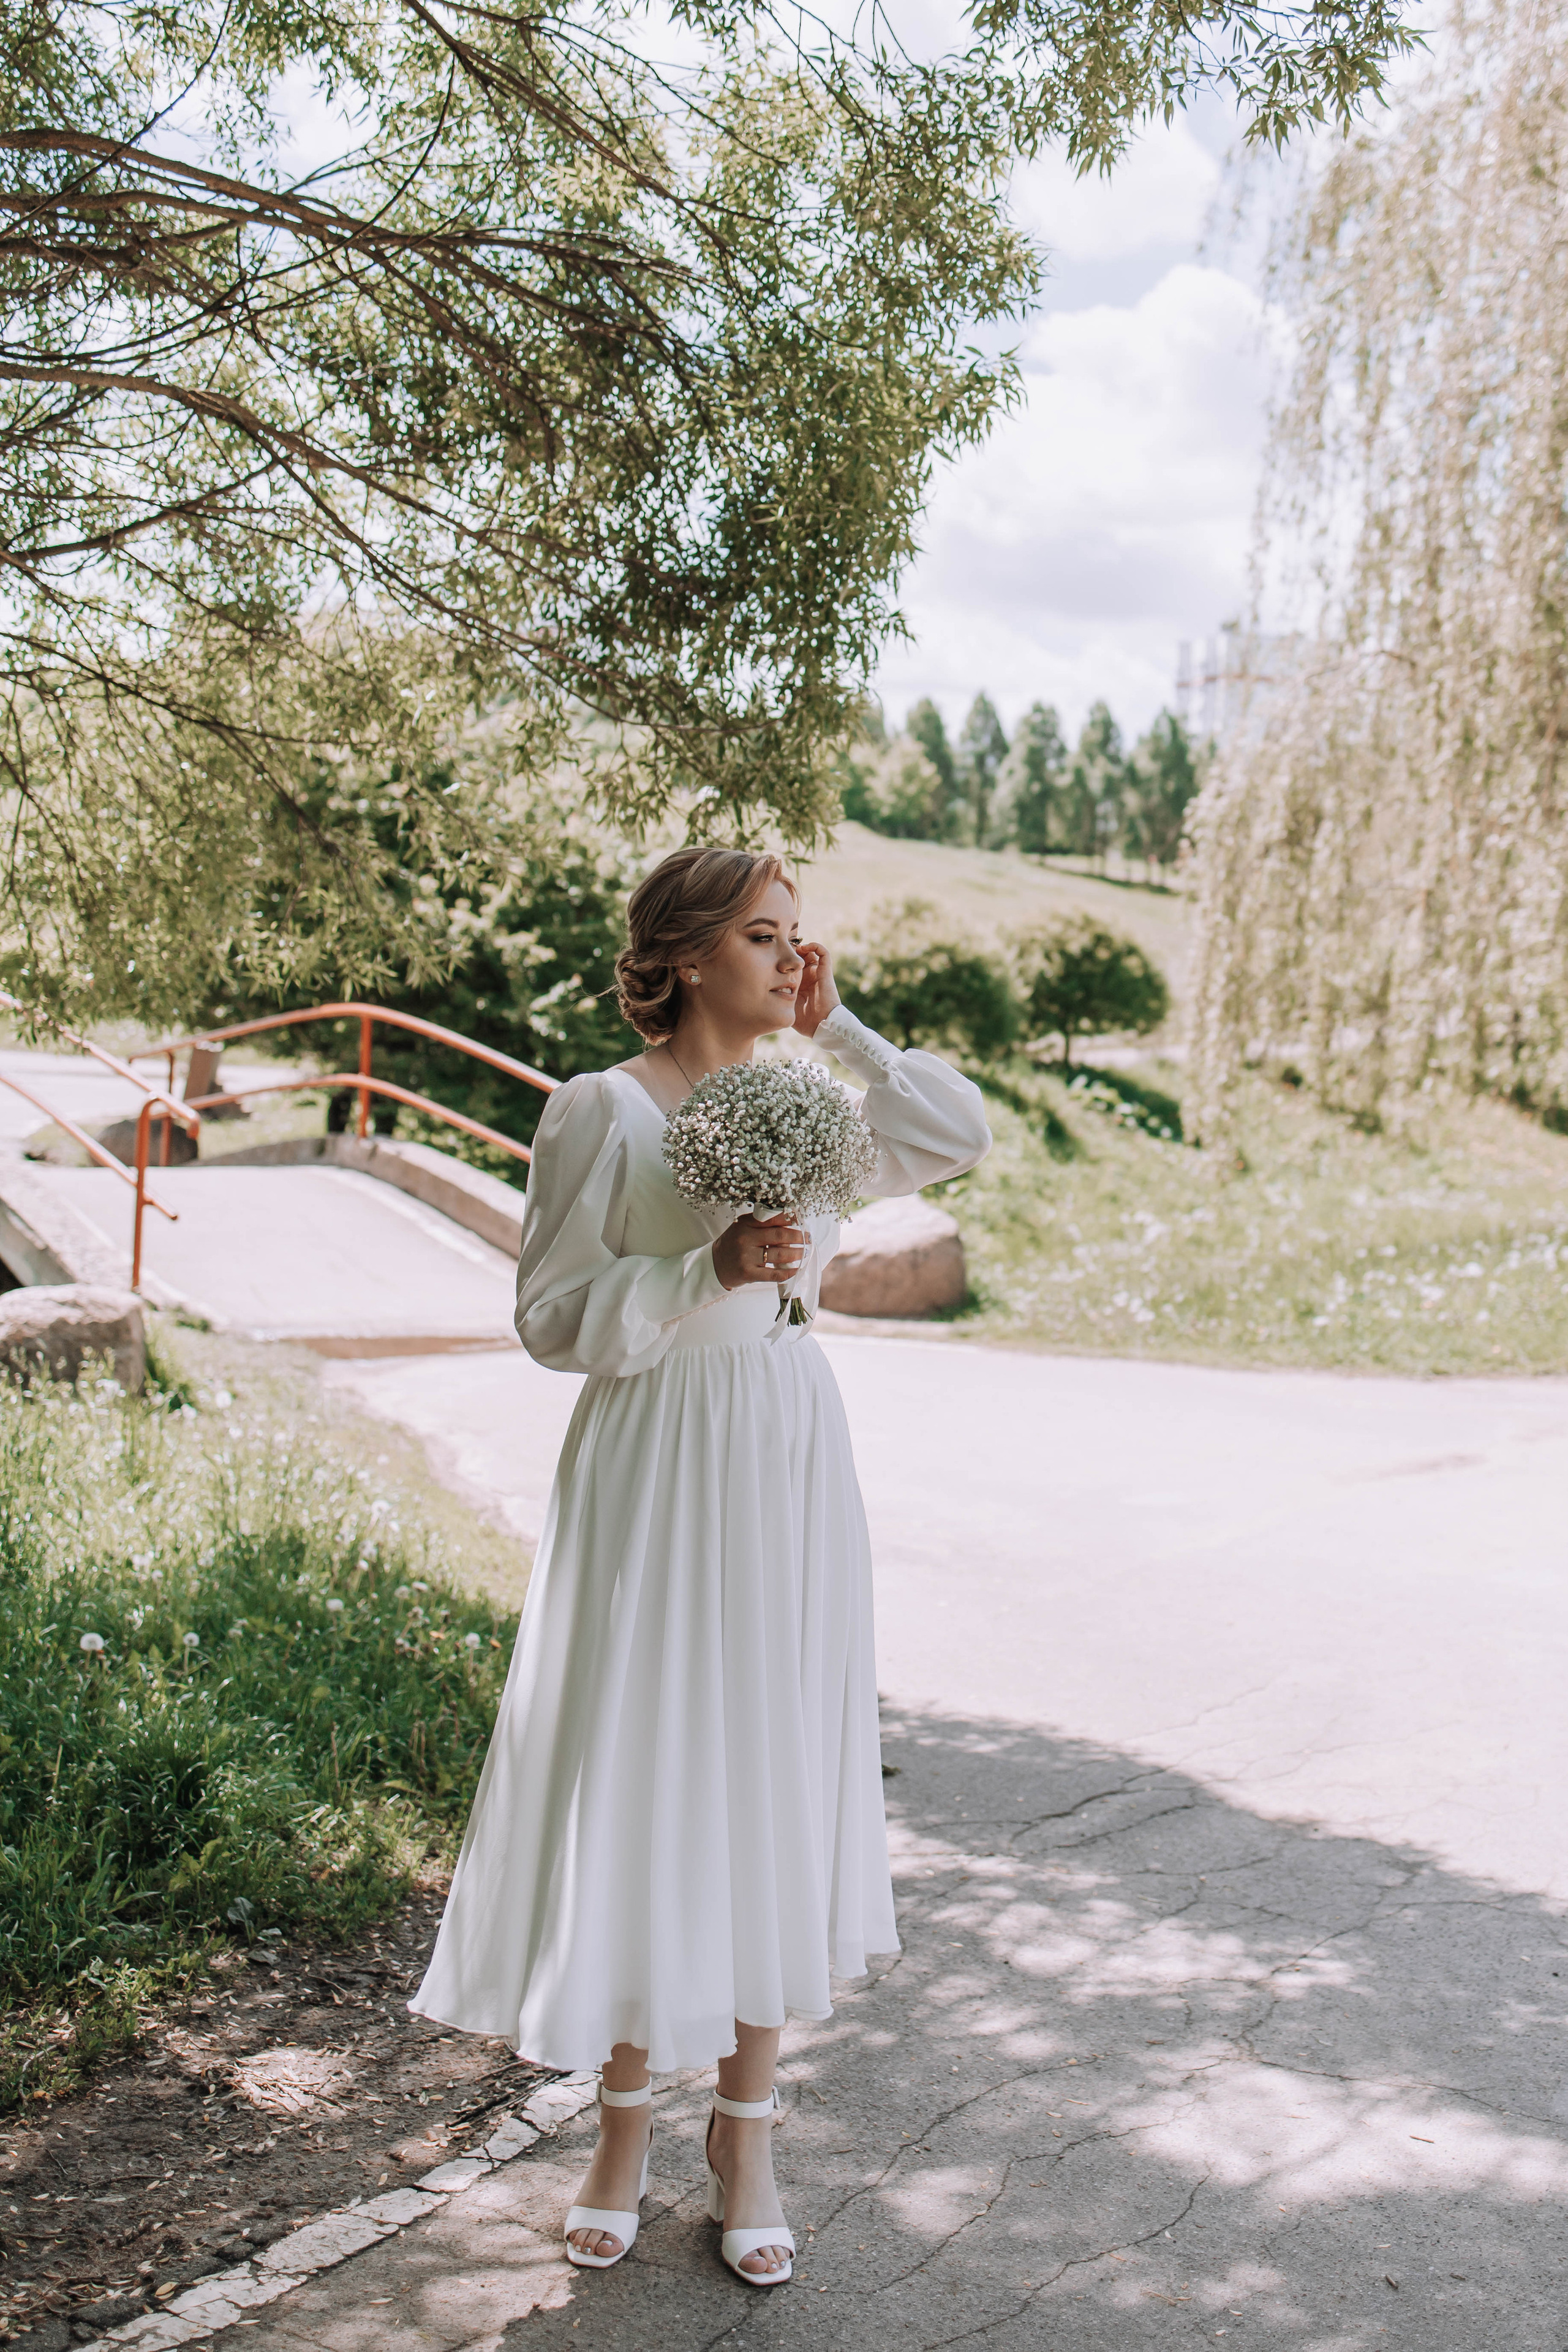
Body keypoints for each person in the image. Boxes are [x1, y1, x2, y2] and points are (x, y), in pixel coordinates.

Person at [410, 845, 990, 2285]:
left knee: (769, 1783)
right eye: (759, 936)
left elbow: (955, 1128)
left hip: (786, 1456)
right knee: (645, 1774)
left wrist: (838, 1027)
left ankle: (747, 2130)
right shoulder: (598, 1110)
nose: (787, 957)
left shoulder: (810, 1101)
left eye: (799, 936)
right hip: (653, 1460)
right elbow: (549, 1316)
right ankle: (618, 2130)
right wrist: (702, 1272)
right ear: (676, 956)